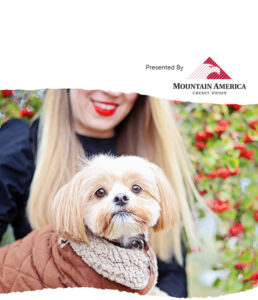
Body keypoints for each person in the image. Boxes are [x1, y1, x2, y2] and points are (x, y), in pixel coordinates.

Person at [0, 89, 205, 297]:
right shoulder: (20, 144)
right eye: (100, 193)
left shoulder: (154, 151)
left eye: (136, 189)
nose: (112, 91)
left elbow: (172, 277)